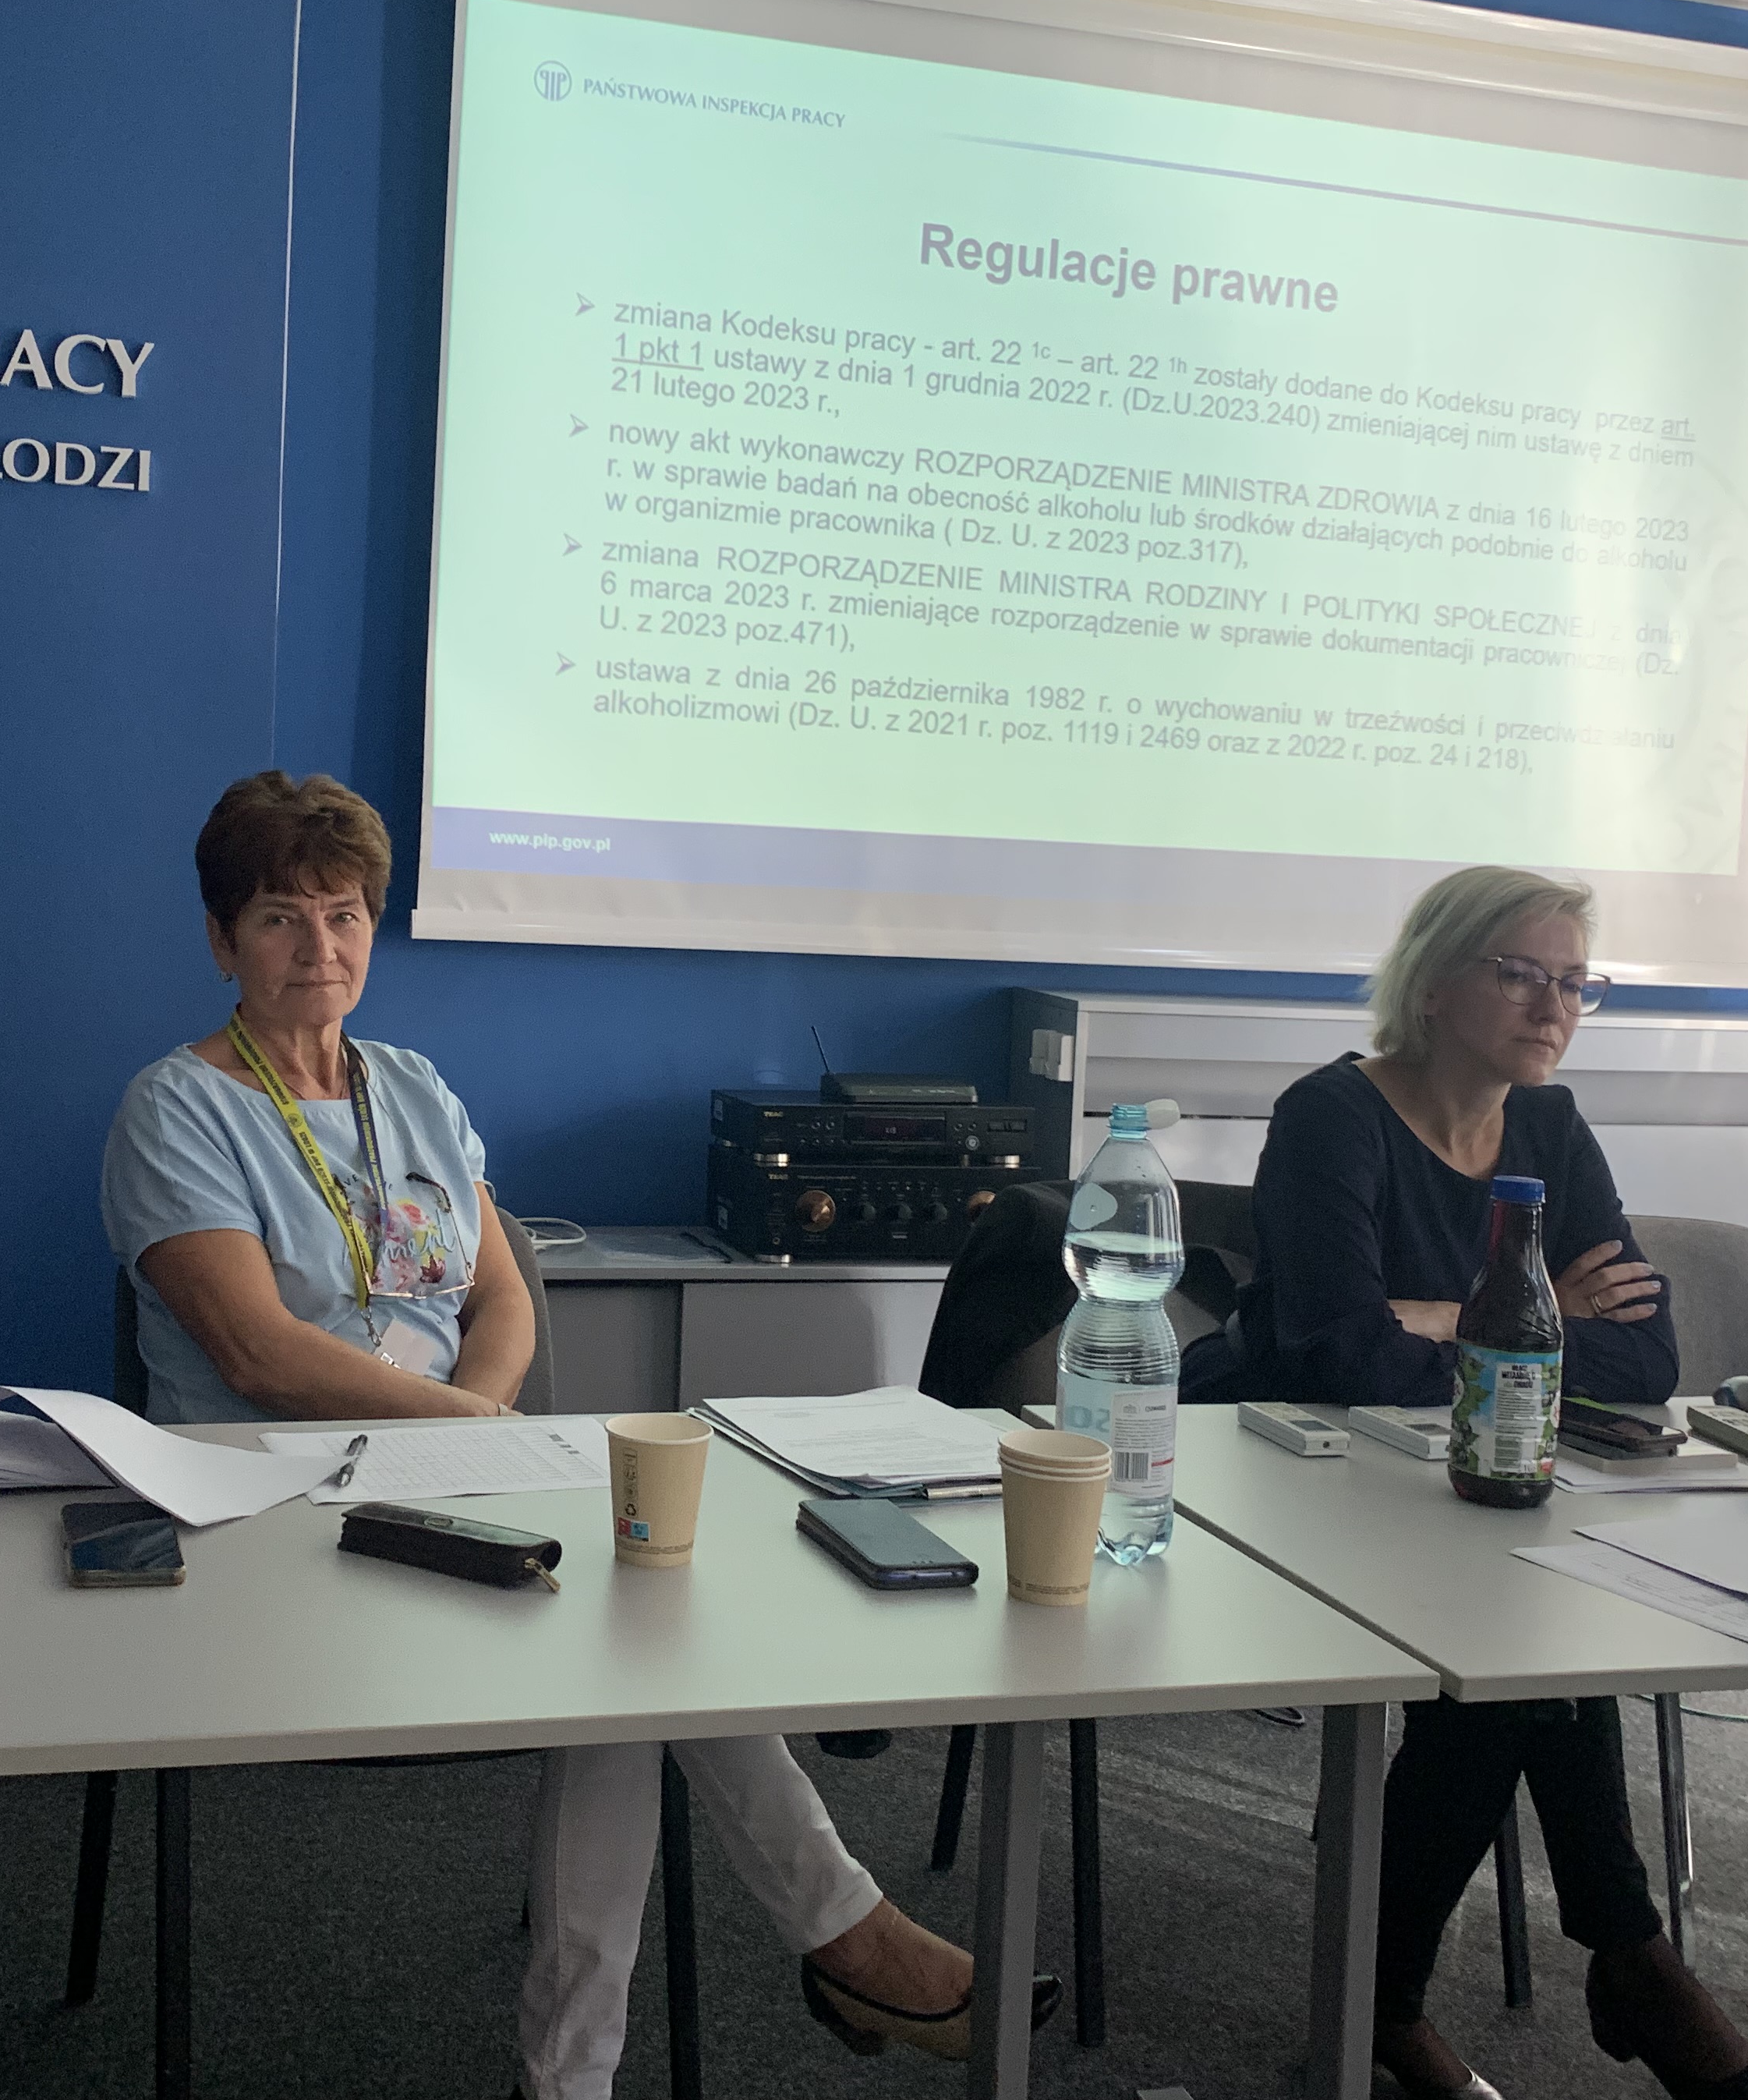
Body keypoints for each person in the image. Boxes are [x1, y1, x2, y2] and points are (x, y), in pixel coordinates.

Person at [101, 770, 1055, 2100]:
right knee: (632, 1626)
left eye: (344, 914)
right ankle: (828, 1948)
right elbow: (258, 1355)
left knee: (641, 1617)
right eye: (278, 918)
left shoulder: (412, 1087)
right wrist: (468, 1425)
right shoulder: (176, 1108)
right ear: (222, 940)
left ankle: (590, 2069)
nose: (319, 947)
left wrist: (479, 1423)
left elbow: (502, 1293)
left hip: (446, 1472)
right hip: (268, 1509)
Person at [1217, 865, 1748, 2100]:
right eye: (1522, 974)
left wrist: (1437, 1320)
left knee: (1522, 1647)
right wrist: (1520, 1320)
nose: (1555, 1006)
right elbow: (1337, 1357)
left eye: (1576, 982)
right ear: (1434, 984)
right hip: (1293, 1480)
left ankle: (1404, 2001)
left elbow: (1646, 1355)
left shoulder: (1550, 1128)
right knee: (1516, 1656)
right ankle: (1618, 1961)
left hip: (1472, 1482)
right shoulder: (1332, 1117)